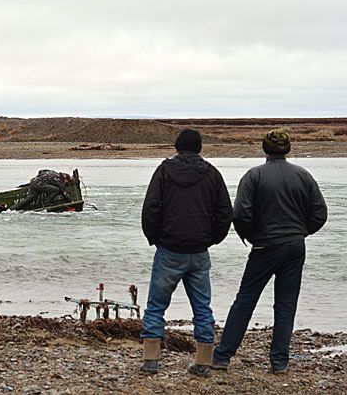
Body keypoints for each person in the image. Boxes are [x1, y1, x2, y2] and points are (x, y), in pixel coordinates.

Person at [212, 129, 327, 374]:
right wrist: (301, 232)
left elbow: (241, 214)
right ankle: (279, 362)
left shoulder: (254, 176)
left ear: (264, 149)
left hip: (266, 245)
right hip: (295, 246)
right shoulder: (303, 175)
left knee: (245, 300)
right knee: (286, 304)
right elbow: (320, 213)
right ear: (288, 149)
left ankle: (223, 355)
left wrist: (251, 236)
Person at [139, 129, 233, 376]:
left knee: (156, 306)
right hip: (199, 250)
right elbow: (225, 212)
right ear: (199, 148)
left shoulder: (164, 171)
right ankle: (203, 361)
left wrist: (155, 238)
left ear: (177, 147)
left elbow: (150, 208)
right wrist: (212, 239)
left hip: (169, 249)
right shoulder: (212, 173)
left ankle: (151, 360)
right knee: (202, 307)